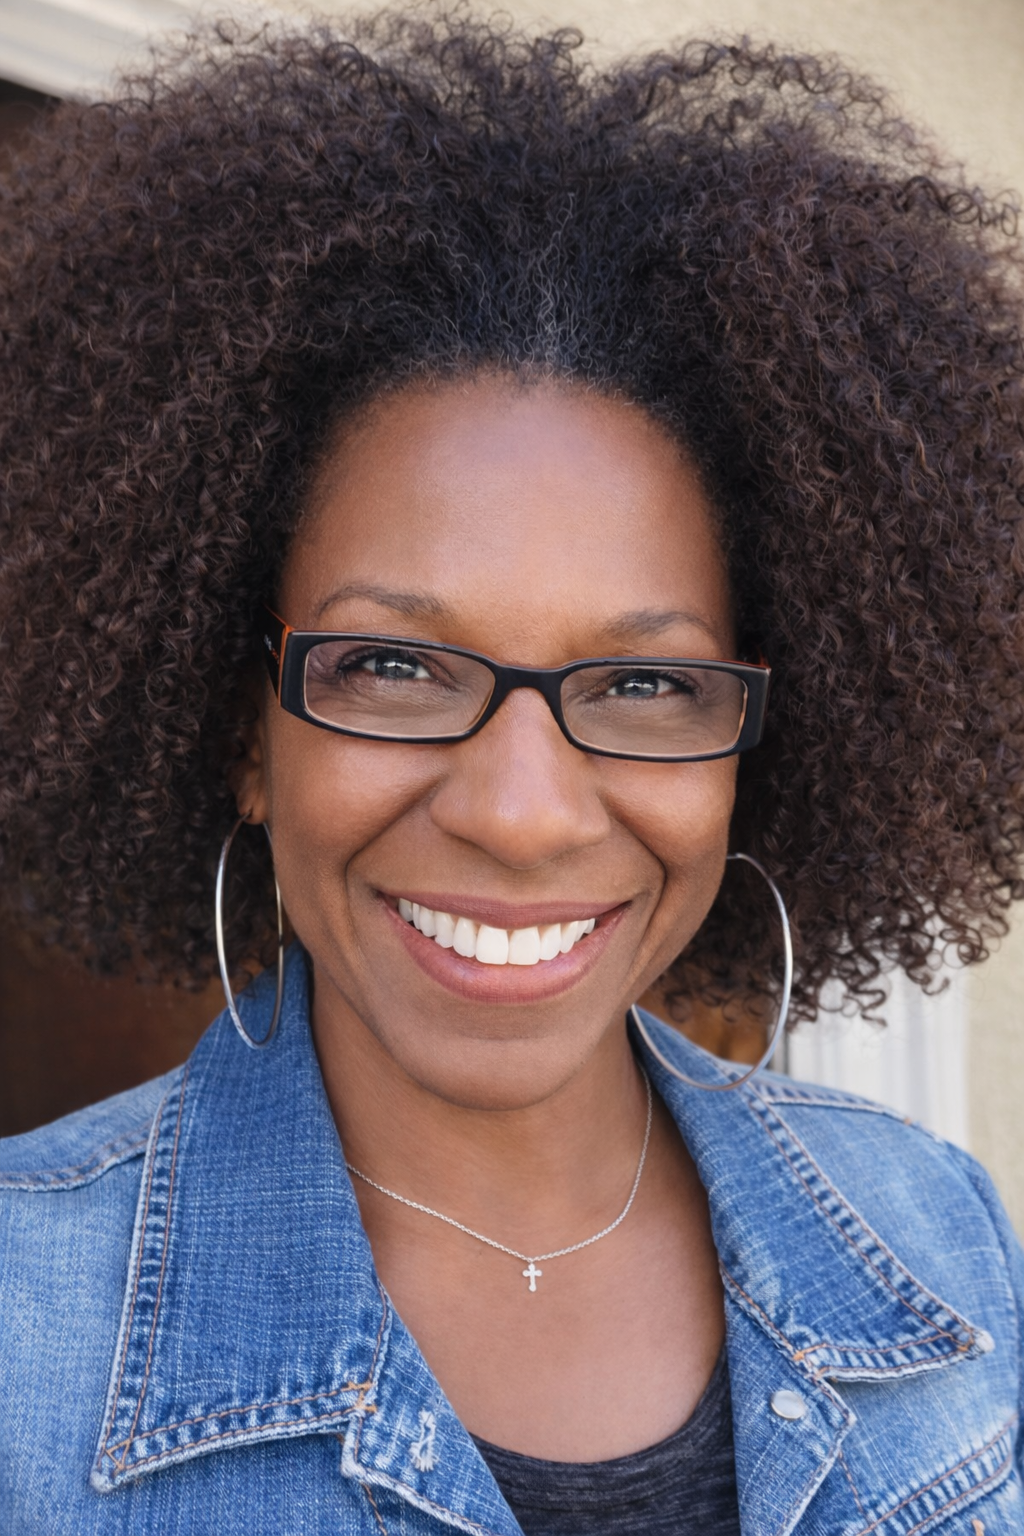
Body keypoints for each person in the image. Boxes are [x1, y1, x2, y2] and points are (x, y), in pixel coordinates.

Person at [1, 12, 1023, 1533]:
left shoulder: (942, 1235)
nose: (524, 811)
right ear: (245, 739)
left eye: (647, 683)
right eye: (395, 668)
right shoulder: (27, 1334)